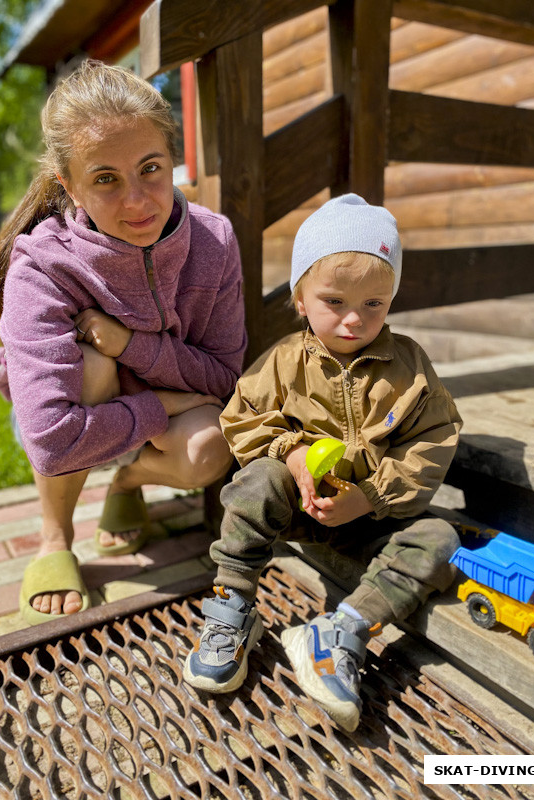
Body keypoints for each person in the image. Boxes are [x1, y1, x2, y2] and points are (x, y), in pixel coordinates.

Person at [0, 60, 246, 626]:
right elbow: (50, 441)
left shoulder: (214, 241)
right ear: (69, 185)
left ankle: (128, 480)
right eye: (105, 179)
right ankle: (55, 538)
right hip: (80, 410)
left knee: (210, 446)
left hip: (148, 403)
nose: (139, 201)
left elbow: (224, 377)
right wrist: (159, 399)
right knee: (91, 366)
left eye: (151, 168)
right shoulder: (41, 264)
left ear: (173, 159)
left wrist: (131, 346)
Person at [183, 194, 462, 732]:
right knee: (257, 481)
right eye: (335, 301)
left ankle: (339, 632)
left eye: (375, 304)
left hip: (372, 521)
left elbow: (436, 436)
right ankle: (233, 604)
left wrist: (373, 495)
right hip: (299, 509)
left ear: (391, 300)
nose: (356, 319)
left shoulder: (410, 366)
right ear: (301, 299)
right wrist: (291, 452)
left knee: (440, 539)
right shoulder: (286, 361)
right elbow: (240, 416)